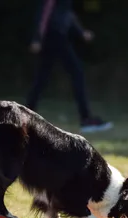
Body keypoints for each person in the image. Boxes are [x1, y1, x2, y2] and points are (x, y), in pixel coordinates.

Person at [25, 0, 113, 134]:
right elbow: (45, 11)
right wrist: (37, 37)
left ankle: (24, 115)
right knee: (76, 72)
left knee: (42, 78)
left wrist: (81, 32)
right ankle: (86, 119)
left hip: (56, 35)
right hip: (54, 36)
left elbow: (68, 13)